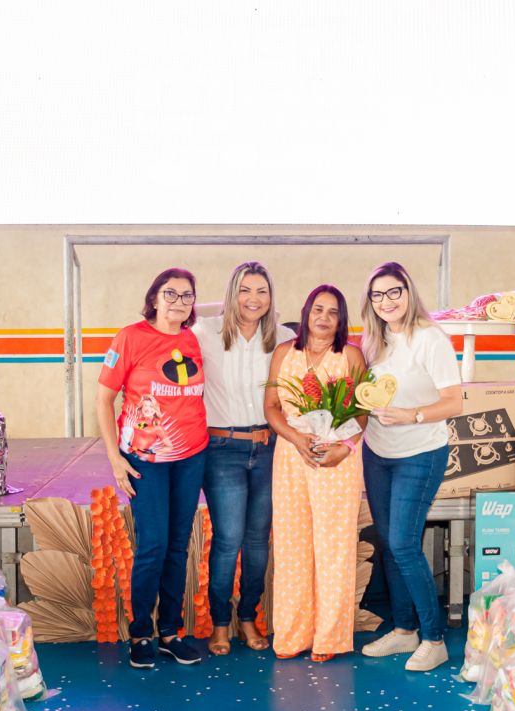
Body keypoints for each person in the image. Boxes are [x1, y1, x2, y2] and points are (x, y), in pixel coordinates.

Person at [96, 268, 209, 670]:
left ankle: (170, 632)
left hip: (191, 456)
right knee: (153, 545)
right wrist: (115, 458)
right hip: (146, 460)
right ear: (154, 298)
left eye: (187, 295)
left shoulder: (194, 339)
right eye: (170, 293)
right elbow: (103, 400)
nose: (178, 301)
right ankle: (141, 631)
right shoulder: (130, 337)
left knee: (178, 545)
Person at [357, 262, 463, 672]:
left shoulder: (429, 338)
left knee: (403, 544)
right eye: (378, 295)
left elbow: (454, 402)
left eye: (394, 292)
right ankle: (404, 631)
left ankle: (434, 639)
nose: (386, 301)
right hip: (377, 453)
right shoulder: (374, 340)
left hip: (420, 454)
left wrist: (413, 415)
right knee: (388, 543)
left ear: (408, 292)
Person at [194, 262, 295, 656]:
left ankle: (249, 616)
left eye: (261, 291)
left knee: (257, 541)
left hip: (270, 448)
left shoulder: (283, 338)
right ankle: (220, 622)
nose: (254, 299)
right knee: (228, 538)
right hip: (222, 450)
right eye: (245, 290)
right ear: (231, 294)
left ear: (271, 298)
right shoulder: (205, 332)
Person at [264, 285, 365, 662]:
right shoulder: (283, 353)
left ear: (341, 320)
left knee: (334, 547)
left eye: (333, 312)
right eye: (318, 309)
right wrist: (295, 438)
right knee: (292, 546)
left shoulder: (350, 356)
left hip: (337, 460)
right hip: (292, 457)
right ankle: (292, 636)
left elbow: (363, 411)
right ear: (306, 312)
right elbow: (271, 406)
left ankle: (329, 638)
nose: (324, 318)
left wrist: (345, 447)